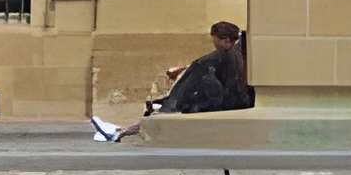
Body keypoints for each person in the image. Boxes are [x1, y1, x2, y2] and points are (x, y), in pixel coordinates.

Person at [91, 23, 252, 140]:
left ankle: (121, 132)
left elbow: (199, 67)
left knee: (167, 109)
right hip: (233, 100)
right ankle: (122, 131)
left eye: (215, 41)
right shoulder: (235, 52)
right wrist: (182, 69)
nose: (214, 44)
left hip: (222, 103)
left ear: (225, 41)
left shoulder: (222, 55)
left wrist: (176, 97)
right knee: (166, 107)